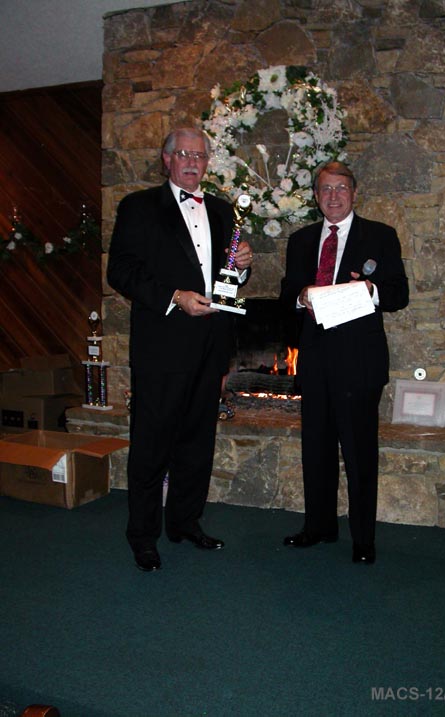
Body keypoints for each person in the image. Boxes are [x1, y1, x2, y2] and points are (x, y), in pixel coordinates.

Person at [107, 127, 253, 572]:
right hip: (162, 346)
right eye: (184, 154)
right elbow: (121, 271)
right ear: (166, 158)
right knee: (151, 445)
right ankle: (143, 537)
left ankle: (185, 522)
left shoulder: (224, 211)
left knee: (197, 443)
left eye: (200, 155)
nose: (192, 161)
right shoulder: (138, 206)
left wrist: (241, 268)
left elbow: (228, 281)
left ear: (207, 162)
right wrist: (175, 296)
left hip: (211, 345)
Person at [280, 161, 409, 564]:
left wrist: (370, 290)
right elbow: (287, 294)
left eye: (341, 188)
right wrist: (300, 296)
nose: (333, 196)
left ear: (354, 193)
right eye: (325, 189)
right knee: (315, 449)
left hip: (359, 363)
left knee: (359, 453)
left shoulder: (380, 235)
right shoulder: (301, 240)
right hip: (315, 360)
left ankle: (363, 538)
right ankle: (318, 526)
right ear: (315, 196)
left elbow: (399, 294)